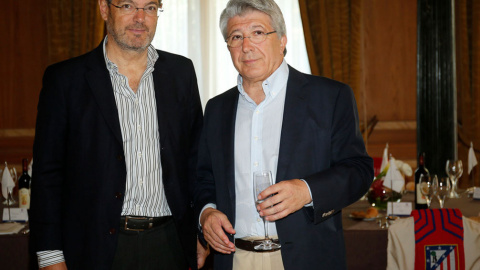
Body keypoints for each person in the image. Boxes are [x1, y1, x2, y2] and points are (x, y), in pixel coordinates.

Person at [194, 0, 373, 269]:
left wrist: (307, 191)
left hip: (307, 258)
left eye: (257, 32)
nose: (246, 46)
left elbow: (358, 170)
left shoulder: (329, 97)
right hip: (235, 257)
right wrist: (206, 212)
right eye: (236, 37)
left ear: (282, 41)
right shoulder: (217, 108)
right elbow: (204, 178)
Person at [30, 0, 208, 269]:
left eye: (150, 7)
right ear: (104, 9)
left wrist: (199, 231)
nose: (140, 17)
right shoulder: (65, 80)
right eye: (127, 5)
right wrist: (50, 256)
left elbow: (196, 162)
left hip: (170, 244)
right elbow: (48, 176)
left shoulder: (181, 73)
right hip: (95, 248)